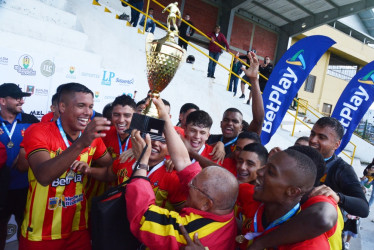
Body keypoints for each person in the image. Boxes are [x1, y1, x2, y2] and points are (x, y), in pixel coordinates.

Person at [126, 97, 238, 249]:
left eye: (193, 185)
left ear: (206, 204)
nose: (188, 182)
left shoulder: (189, 233)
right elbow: (184, 162)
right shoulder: (222, 209)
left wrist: (141, 163)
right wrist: (165, 117)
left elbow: (142, 217)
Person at [19, 83, 113, 249]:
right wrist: (81, 144)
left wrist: (91, 170)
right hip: (42, 231)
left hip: (78, 227)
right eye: (81, 106)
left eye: (91, 106)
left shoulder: (94, 139)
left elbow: (112, 169)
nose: (88, 112)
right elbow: (43, 175)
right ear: (62, 106)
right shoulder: (38, 131)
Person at [237, 149, 336, 249]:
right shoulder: (252, 194)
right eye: (265, 166)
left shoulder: (310, 246)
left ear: (292, 191)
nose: (259, 171)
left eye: (270, 172)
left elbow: (323, 218)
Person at [0, 83, 39, 249]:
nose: (21, 101)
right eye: (17, 98)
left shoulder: (31, 121)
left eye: (22, 98)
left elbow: (46, 143)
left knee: (24, 229)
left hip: (25, 187)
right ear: (2, 100)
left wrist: (25, 151)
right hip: (1, 188)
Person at [309, 117, 369, 218]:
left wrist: (338, 197)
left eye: (322, 137)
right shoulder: (298, 154)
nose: (313, 140)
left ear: (336, 145)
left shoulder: (343, 169)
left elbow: (363, 208)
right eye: (312, 134)